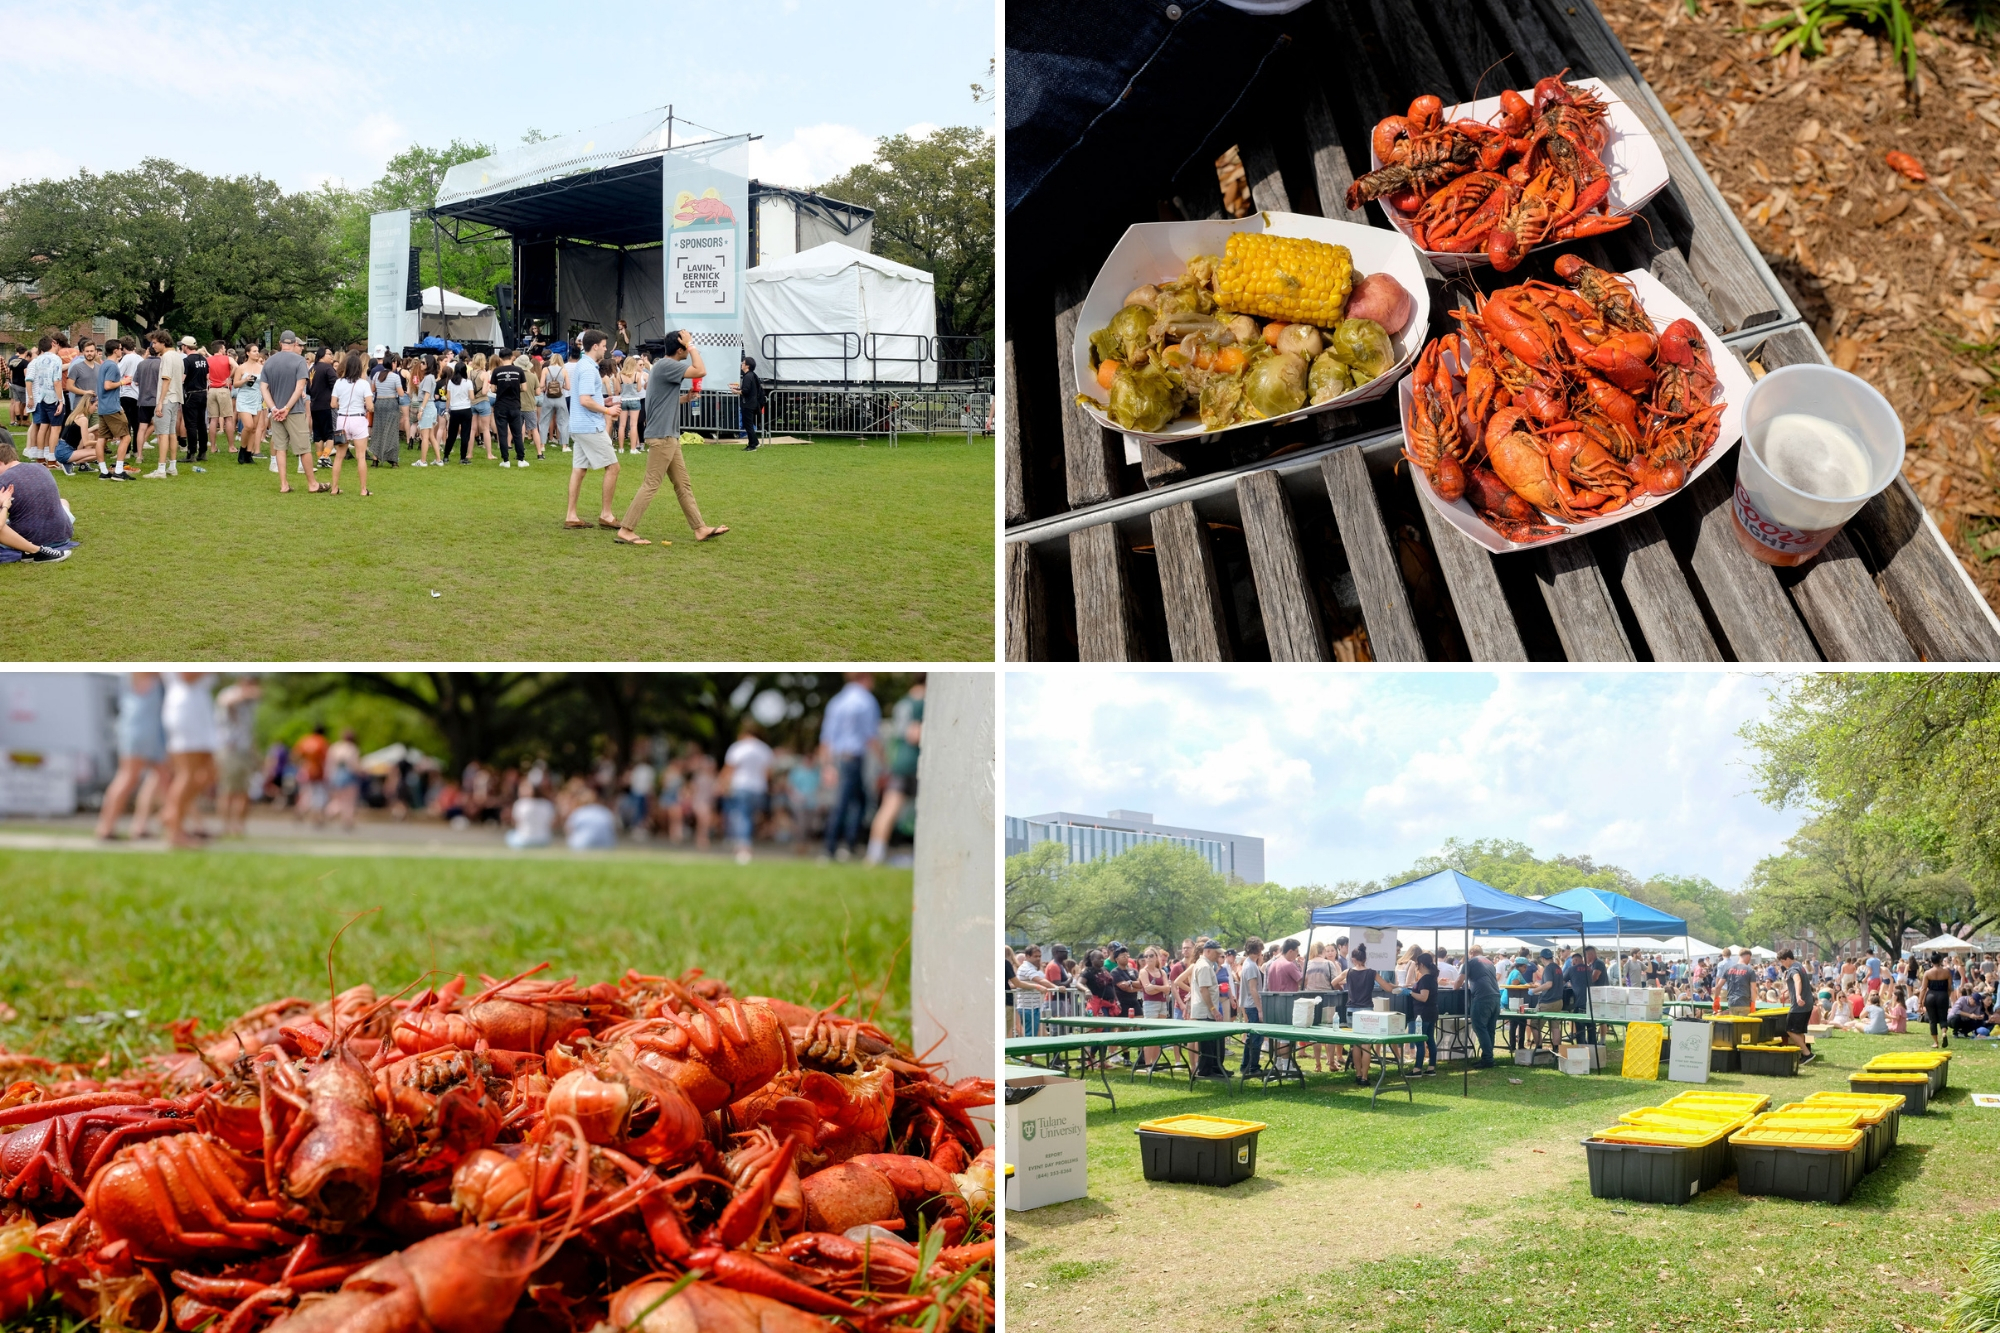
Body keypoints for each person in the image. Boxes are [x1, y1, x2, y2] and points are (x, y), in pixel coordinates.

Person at [613, 331, 727, 545]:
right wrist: (691, 345)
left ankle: (700, 528)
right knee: (651, 484)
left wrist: (686, 398)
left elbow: (663, 400)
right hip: (662, 437)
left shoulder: (662, 367)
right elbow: (700, 370)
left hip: (668, 437)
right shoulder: (667, 365)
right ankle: (626, 530)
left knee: (683, 485)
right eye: (687, 346)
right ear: (681, 349)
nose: (691, 349)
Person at [817, 673, 882, 860]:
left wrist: (826, 766)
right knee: (847, 803)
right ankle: (834, 847)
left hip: (838, 758)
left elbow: (826, 738)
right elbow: (872, 736)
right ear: (866, 678)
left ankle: (845, 845)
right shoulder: (867, 701)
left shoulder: (836, 701)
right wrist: (884, 762)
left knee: (854, 801)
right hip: (854, 758)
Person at [97, 673, 167, 840]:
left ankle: (140, 825)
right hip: (139, 728)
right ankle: (106, 827)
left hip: (150, 730)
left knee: (160, 776)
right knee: (129, 777)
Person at [563, 330, 621, 528]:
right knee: (613, 467)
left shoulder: (583, 366)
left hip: (580, 425)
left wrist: (603, 400)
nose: (606, 349)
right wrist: (607, 409)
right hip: (589, 426)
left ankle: (571, 516)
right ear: (595, 346)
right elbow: (585, 400)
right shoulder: (588, 369)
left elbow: (587, 397)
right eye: (604, 345)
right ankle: (606, 515)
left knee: (579, 470)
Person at [865, 675, 923, 864]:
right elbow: (914, 734)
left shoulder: (902, 703)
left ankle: (874, 855)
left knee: (887, 810)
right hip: (914, 762)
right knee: (926, 811)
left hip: (898, 761)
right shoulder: (921, 702)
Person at [160, 672, 217, 850]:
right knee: (187, 774)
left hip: (198, 709)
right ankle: (175, 831)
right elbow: (187, 675)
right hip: (187, 708)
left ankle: (170, 813)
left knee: (209, 774)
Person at [0, 441, 73, 562]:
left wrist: (5, 506)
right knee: (63, 502)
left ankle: (34, 551)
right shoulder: (41, 467)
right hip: (63, 534)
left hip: (31, 537)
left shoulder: (3, 481)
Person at [214, 675, 261, 837]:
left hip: (245, 750)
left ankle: (238, 827)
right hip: (229, 750)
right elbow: (226, 703)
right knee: (227, 790)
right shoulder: (229, 693)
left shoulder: (251, 703)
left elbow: (249, 729)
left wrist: (256, 754)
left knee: (244, 792)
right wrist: (246, 694)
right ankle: (225, 826)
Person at [722, 722, 774, 865]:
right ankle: (743, 842)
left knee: (741, 816)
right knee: (749, 817)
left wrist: (723, 785)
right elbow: (768, 773)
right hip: (758, 788)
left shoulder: (738, 748)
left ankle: (743, 847)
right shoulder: (764, 749)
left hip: (741, 786)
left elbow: (729, 769)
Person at [1339, 944, 1385, 1082]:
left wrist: (1345, 986)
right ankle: (1365, 1076)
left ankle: (1358, 1074)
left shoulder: (1348, 972)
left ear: (1353, 959)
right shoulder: (1372, 972)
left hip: (1351, 1009)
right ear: (1365, 958)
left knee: (1356, 1045)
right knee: (1367, 1045)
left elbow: (1334, 981)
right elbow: (1387, 986)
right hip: (1367, 1009)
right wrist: (1397, 987)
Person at [329, 353, 373, 496]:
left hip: (343, 419)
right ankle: (363, 489)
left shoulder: (339, 383)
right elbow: (370, 406)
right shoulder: (364, 384)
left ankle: (334, 488)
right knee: (361, 456)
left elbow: (333, 404)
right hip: (358, 419)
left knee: (339, 456)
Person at [143, 331, 185, 477]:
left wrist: (160, 402)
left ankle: (161, 469)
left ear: (163, 342)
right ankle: (172, 467)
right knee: (172, 433)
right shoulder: (177, 356)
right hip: (176, 398)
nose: (153, 345)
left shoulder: (167, 357)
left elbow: (166, 380)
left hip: (167, 399)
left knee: (162, 434)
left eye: (154, 343)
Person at [23, 337, 65, 465]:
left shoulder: (37, 360)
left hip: (40, 398)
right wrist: (61, 400)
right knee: (55, 428)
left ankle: (40, 457)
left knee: (43, 427)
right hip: (52, 397)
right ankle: (52, 459)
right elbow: (57, 381)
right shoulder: (56, 359)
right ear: (53, 344)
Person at [489, 347, 528, 467]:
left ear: (500, 358)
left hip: (501, 406)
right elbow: (524, 388)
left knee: (503, 433)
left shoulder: (496, 371)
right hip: (515, 405)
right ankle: (521, 459)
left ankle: (506, 460)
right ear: (512, 357)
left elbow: (493, 389)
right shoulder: (519, 371)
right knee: (517, 433)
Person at [1776, 947, 1816, 1063]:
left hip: (1799, 1005)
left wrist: (1798, 996)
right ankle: (1804, 1054)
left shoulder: (1793, 969)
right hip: (1807, 1002)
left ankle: (1807, 1054)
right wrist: (1789, 993)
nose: (1782, 964)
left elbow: (1797, 980)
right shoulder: (1799, 965)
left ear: (1788, 958)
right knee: (1798, 1031)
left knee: (1790, 1030)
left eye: (1782, 961)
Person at [1464, 943, 1501, 1068]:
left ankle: (1487, 1058)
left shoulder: (1471, 962)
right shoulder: (1490, 962)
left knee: (1479, 1026)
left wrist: (1455, 987)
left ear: (1472, 952)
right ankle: (1489, 1057)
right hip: (1496, 996)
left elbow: (1459, 980)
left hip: (1482, 997)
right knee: (1490, 1029)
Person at [305, 345, 338, 471]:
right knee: (330, 433)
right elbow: (336, 385)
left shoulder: (312, 369)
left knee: (318, 434)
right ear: (322, 355)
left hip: (314, 405)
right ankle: (325, 457)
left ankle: (320, 459)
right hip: (326, 405)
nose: (332, 357)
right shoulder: (328, 368)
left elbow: (308, 389)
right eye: (329, 354)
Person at [234, 346, 268, 464]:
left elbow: (265, 383)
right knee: (248, 426)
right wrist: (244, 380)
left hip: (256, 398)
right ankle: (242, 450)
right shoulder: (241, 367)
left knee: (254, 428)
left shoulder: (262, 368)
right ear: (248, 353)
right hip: (244, 398)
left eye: (258, 351)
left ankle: (249, 453)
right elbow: (235, 384)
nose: (257, 353)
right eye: (254, 351)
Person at [178, 337, 209, 466]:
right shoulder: (204, 359)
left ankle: (191, 453)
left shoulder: (186, 361)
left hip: (191, 394)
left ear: (186, 346)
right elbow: (207, 377)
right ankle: (203, 451)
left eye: (182, 346)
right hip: (202, 393)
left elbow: (182, 379)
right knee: (201, 423)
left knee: (190, 424)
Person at [1014, 945, 1055, 1036]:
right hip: (1027, 1007)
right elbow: (1039, 980)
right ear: (1027, 956)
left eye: (1039, 956)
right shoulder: (1026, 968)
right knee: (1030, 1035)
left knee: (1033, 1034)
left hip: (1033, 1006)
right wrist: (1056, 988)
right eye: (1035, 956)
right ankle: (1028, 1050)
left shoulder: (1032, 968)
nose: (1038, 959)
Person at [292, 725, 331, 823]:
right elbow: (326, 759)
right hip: (318, 772)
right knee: (318, 794)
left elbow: (295, 755)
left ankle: (300, 811)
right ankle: (316, 816)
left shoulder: (305, 740)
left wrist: (302, 765)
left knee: (305, 793)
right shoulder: (322, 742)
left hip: (304, 771)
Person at [326, 728, 363, 830]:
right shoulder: (352, 748)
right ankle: (347, 820)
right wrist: (362, 772)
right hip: (348, 776)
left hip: (336, 776)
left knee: (337, 799)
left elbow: (329, 764)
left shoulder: (335, 747)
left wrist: (329, 776)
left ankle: (330, 812)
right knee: (349, 801)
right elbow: (354, 765)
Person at [506, 779, 558, 849]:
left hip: (524, 841)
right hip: (544, 841)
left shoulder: (520, 804)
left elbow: (515, 822)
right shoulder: (547, 804)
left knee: (509, 835)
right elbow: (553, 823)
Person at [730, 355, 766, 450]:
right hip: (753, 403)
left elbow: (745, 391)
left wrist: (736, 391)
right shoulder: (753, 375)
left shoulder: (748, 376)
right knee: (749, 424)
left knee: (748, 425)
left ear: (747, 366)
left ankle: (752, 445)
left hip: (748, 404)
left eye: (743, 363)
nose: (741, 364)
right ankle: (754, 442)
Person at [539, 352, 570, 452]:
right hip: (560, 398)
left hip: (548, 397)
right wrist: (561, 386)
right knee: (563, 421)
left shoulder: (545, 369)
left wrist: (548, 386)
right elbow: (568, 387)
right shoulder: (564, 371)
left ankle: (542, 445)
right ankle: (564, 446)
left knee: (544, 420)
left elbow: (541, 385)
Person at [1923, 953, 1954, 1048]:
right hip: (1943, 995)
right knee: (1943, 1017)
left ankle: (1936, 1042)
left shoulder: (1927, 973)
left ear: (1931, 961)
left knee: (1932, 1020)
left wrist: (1920, 1001)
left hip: (1931, 995)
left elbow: (1923, 988)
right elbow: (1950, 987)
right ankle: (1944, 1033)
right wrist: (1947, 996)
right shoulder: (1946, 972)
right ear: (1940, 961)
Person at [1719, 947, 1756, 1015]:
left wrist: (1716, 999)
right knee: (1743, 1025)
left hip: (1732, 1003)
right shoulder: (1750, 970)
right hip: (1744, 1003)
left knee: (1734, 1025)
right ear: (1748, 957)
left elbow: (1718, 986)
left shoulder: (1729, 969)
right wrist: (1753, 1003)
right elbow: (1753, 989)